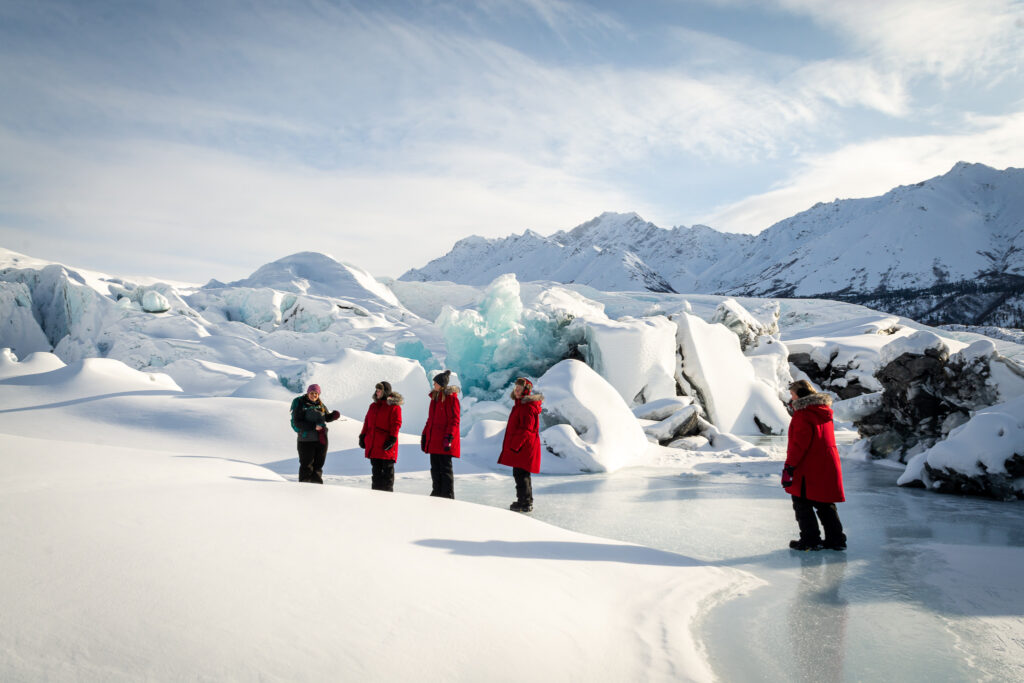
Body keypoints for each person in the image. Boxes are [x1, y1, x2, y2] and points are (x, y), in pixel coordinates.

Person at [783, 379, 847, 551]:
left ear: (801, 395)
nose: (791, 398)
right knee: (824, 502)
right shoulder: (823, 411)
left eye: (792, 394)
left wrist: (789, 467)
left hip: (808, 466)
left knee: (801, 502)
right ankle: (836, 539)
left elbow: (799, 445)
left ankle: (810, 539)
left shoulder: (804, 414)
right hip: (825, 464)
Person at [497, 377, 543, 512]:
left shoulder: (527, 407)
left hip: (524, 447)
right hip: (522, 446)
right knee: (520, 474)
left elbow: (526, 429)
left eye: (519, 389)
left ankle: (526, 502)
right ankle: (523, 500)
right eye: (515, 388)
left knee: (521, 475)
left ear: (526, 390)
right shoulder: (520, 405)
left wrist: (516, 445)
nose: (516, 391)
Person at [421, 370, 461, 499]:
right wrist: (425, 435)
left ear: (441, 384)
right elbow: (430, 420)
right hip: (434, 440)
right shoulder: (434, 398)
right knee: (435, 468)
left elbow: (454, 420)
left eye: (435, 383)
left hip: (444, 440)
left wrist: (449, 437)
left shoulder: (451, 399)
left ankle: (447, 494)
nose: (434, 385)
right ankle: (436, 491)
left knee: (445, 469)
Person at [290, 384, 340, 484]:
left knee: (318, 466)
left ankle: (317, 490)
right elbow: (297, 422)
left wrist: (333, 416)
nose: (314, 395)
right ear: (308, 393)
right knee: (306, 466)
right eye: (312, 393)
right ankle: (305, 488)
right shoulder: (301, 404)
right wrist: (313, 426)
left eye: (316, 393)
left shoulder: (320, 404)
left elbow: (325, 417)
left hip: (321, 440)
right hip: (306, 440)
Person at [359, 380, 403, 492]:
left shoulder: (394, 407)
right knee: (376, 473)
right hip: (373, 445)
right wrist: (362, 436)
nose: (377, 392)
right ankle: (375, 497)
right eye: (377, 390)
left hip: (386, 445)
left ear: (385, 392)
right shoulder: (373, 406)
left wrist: (392, 439)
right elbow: (367, 422)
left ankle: (387, 498)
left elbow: (396, 424)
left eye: (379, 390)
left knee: (387, 474)